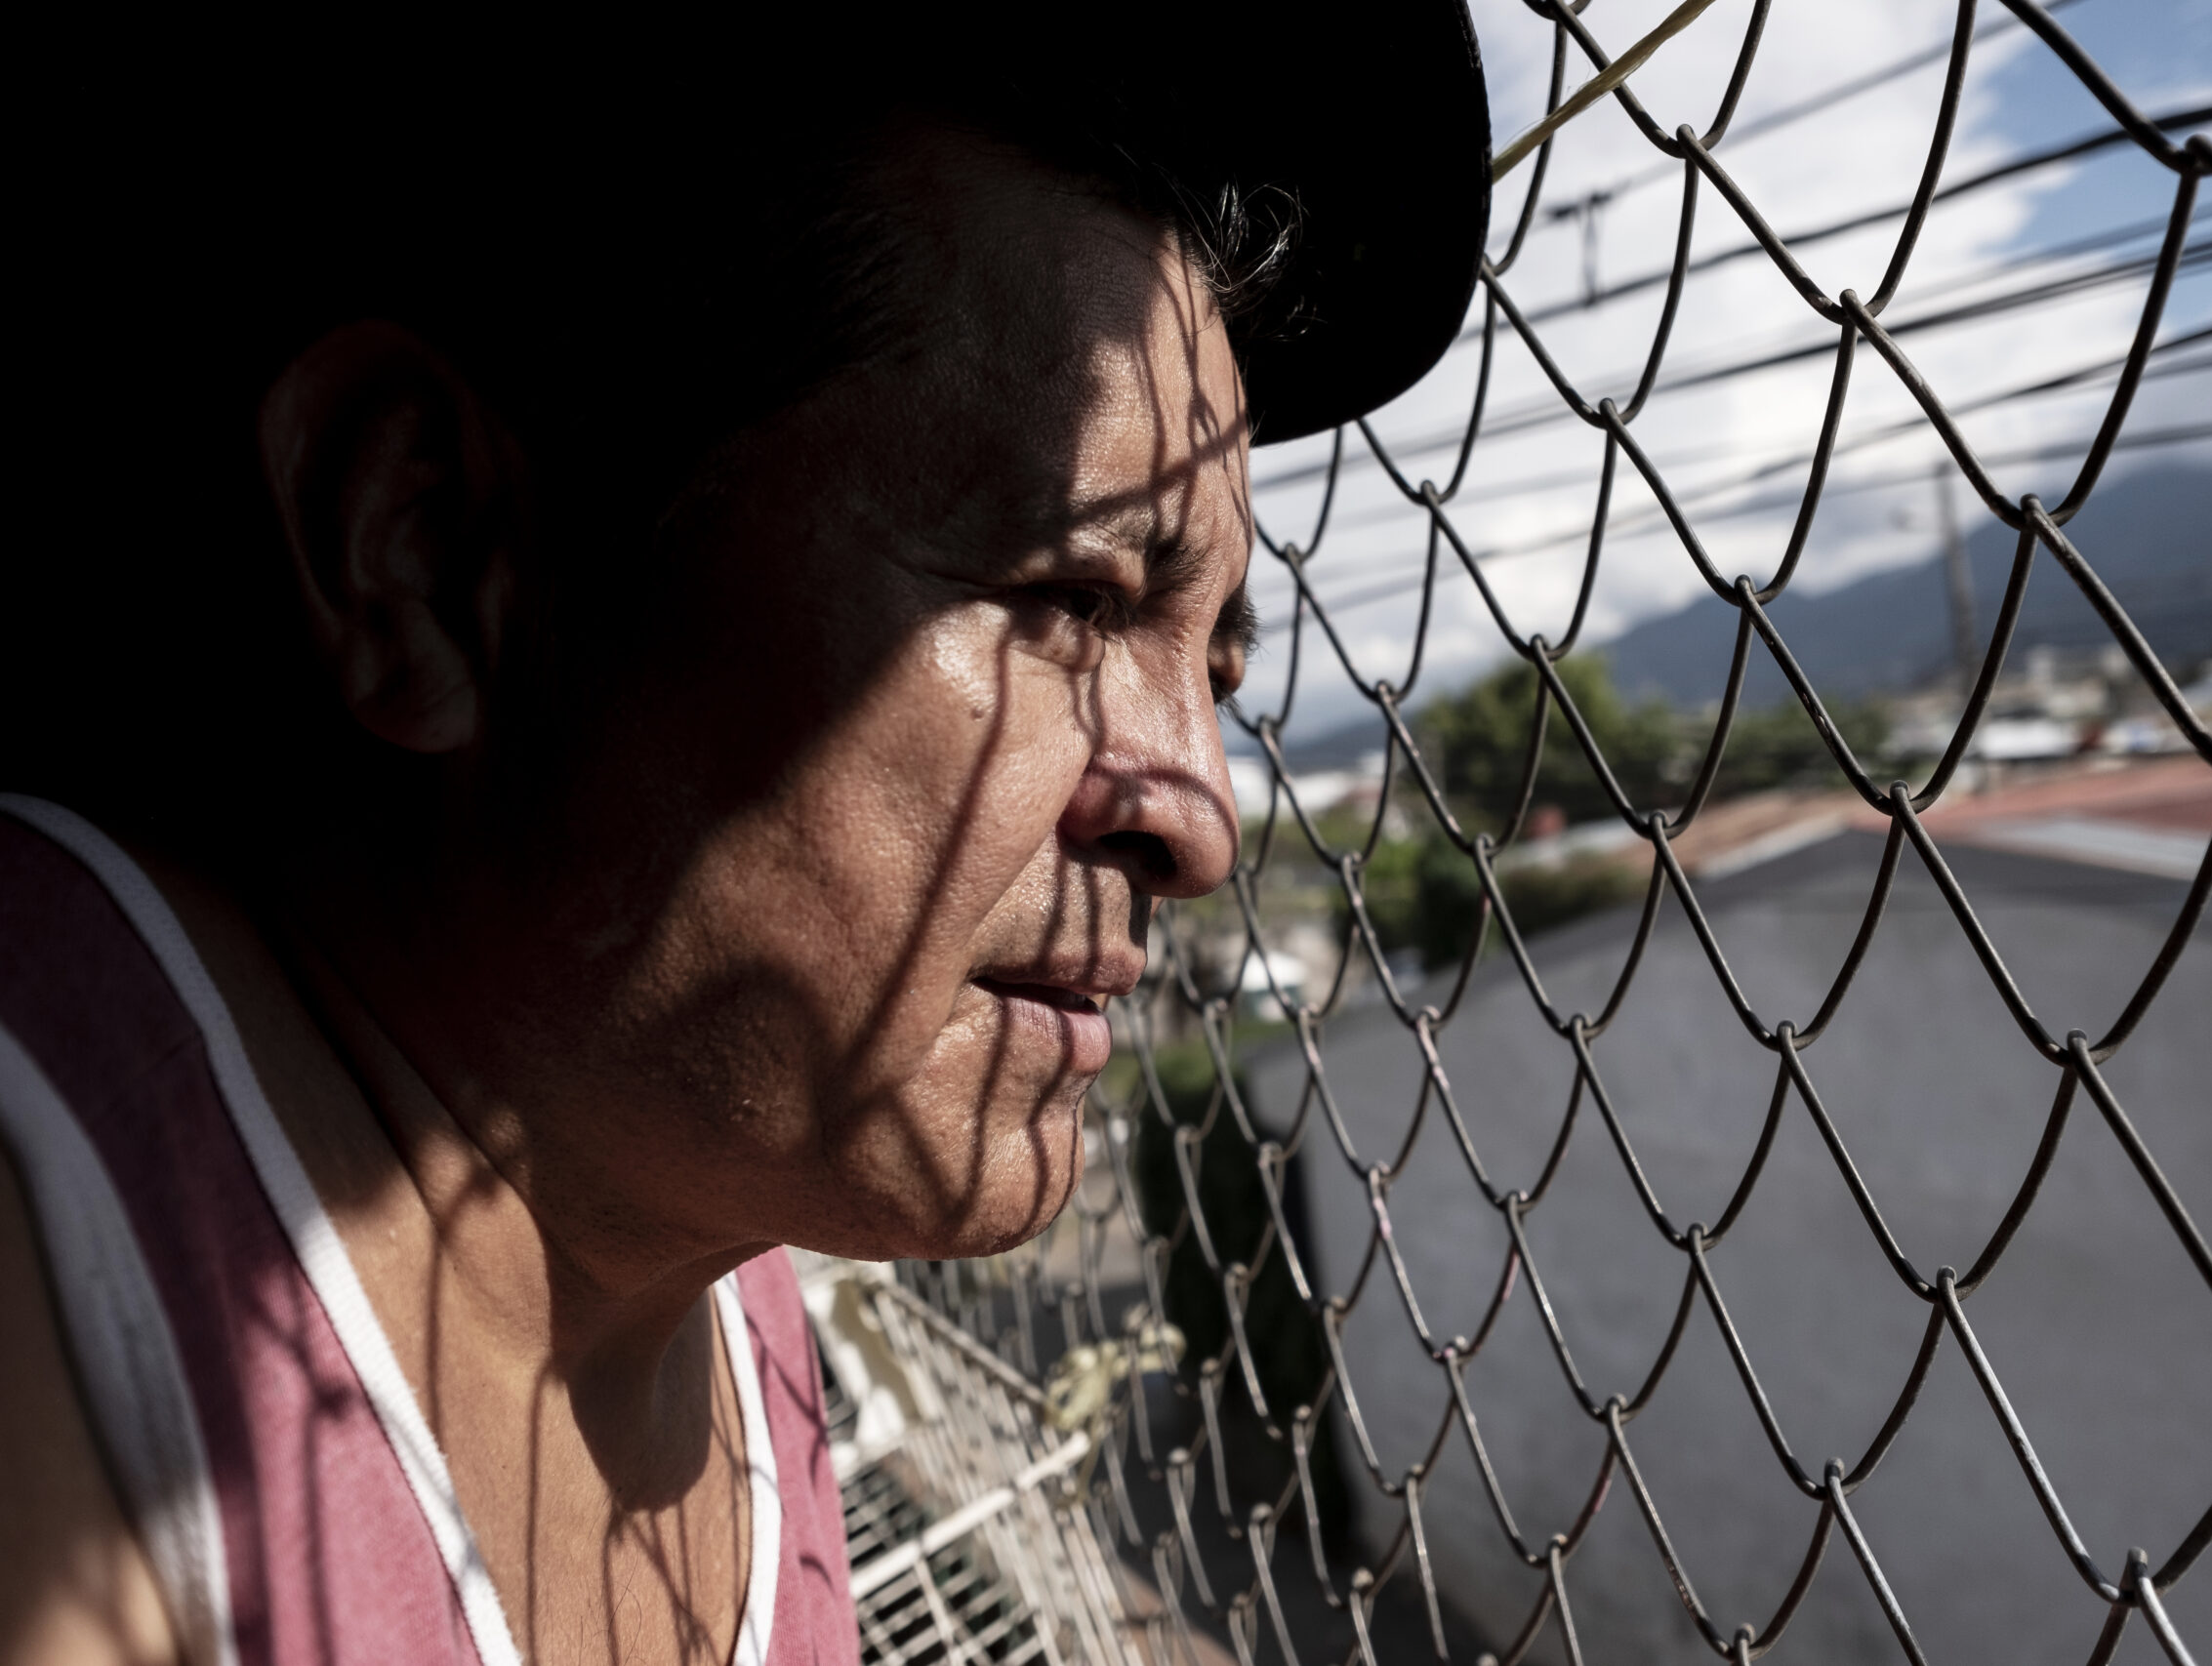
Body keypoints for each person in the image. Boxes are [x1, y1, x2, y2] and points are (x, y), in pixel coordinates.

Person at [0, 11, 1488, 1666]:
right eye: (1069, 596)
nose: (1201, 819)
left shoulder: (715, 1262)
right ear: (426, 551)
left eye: (1211, 666)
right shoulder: (62, 1305)